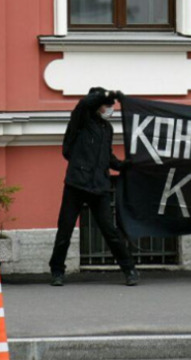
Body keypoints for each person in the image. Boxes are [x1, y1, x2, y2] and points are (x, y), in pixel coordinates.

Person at [49, 87, 138, 287]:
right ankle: (57, 271)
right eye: (107, 105)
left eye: (111, 105)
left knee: (109, 231)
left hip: (99, 186)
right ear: (97, 105)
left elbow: (107, 156)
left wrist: (123, 165)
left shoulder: (107, 129)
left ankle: (129, 269)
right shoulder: (81, 120)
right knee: (65, 230)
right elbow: (84, 104)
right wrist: (108, 95)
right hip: (76, 184)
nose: (109, 109)